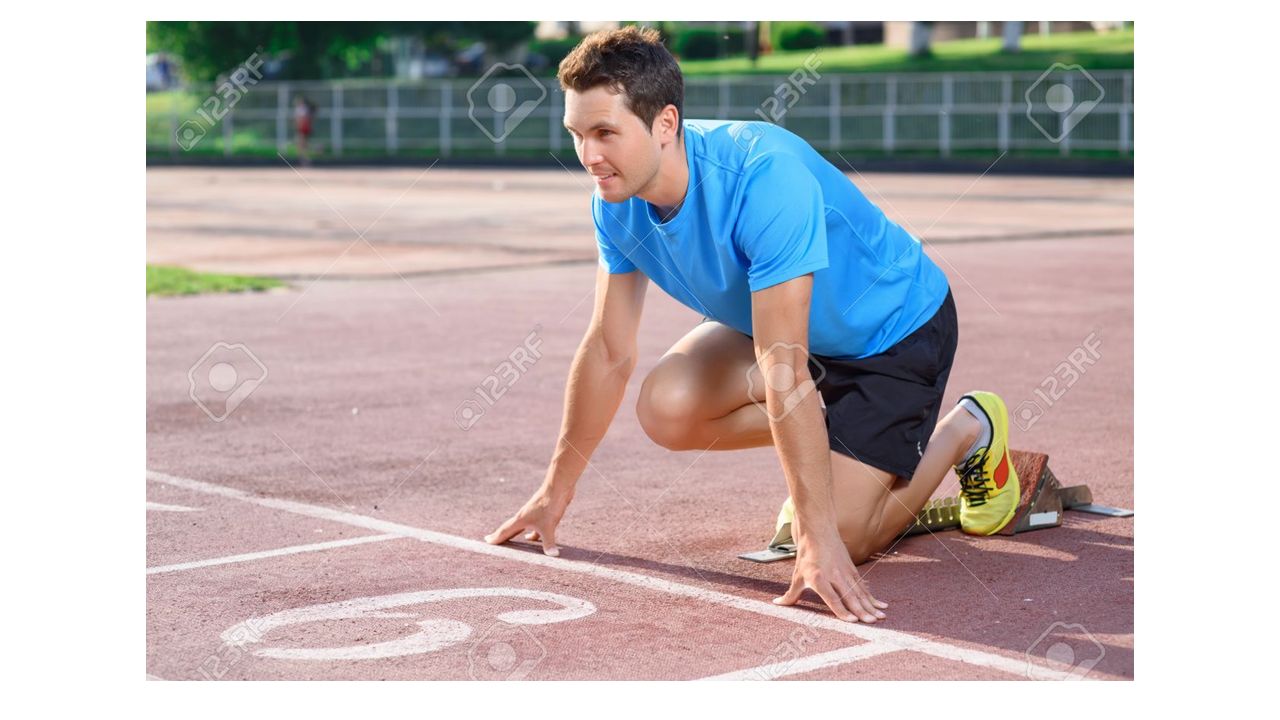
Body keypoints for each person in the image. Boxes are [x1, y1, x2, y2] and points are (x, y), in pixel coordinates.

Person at [484, 26, 1021, 624]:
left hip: (893, 332)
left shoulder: (764, 177)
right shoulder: (614, 200)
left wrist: (818, 533)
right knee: (666, 406)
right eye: (578, 134)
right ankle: (826, 447)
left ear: (665, 124)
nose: (588, 156)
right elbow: (609, 351)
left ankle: (967, 429)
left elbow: (783, 365)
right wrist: (554, 491)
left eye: (605, 132)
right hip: (787, 338)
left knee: (847, 537)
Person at [293, 95, 316, 166]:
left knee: (302, 143)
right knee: (302, 143)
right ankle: (303, 157)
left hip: (303, 127)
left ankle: (303, 157)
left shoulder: (302, 109)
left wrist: (299, 125)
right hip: (303, 127)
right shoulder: (301, 109)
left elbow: (301, 119)